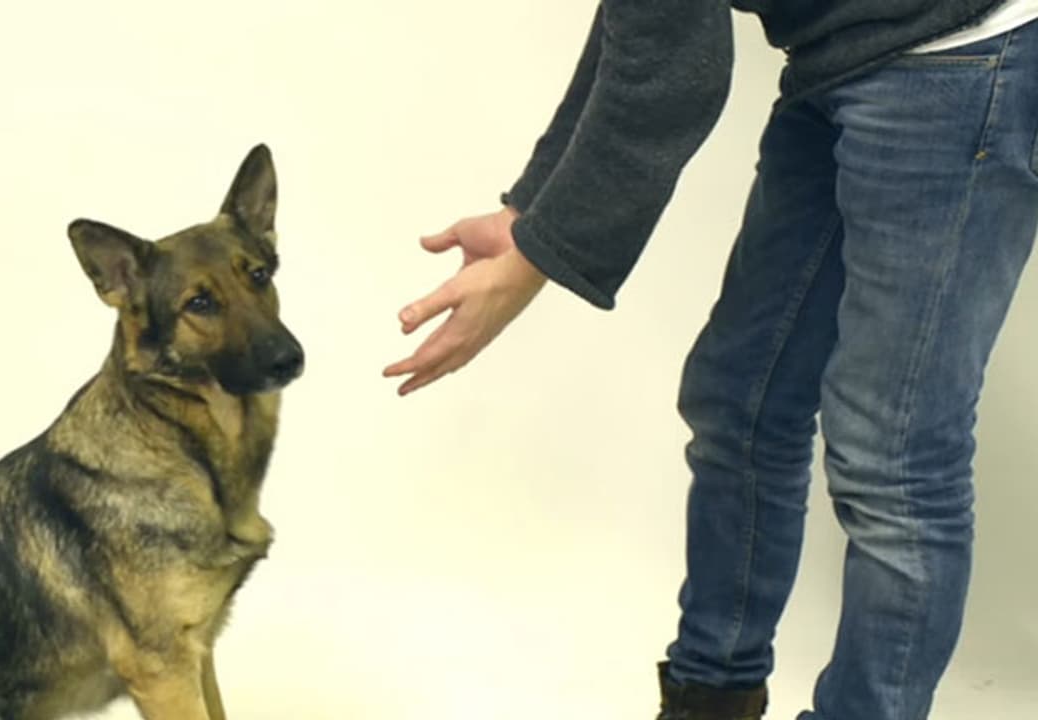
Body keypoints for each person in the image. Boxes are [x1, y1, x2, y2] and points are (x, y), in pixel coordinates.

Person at [383, 2, 1038, 719]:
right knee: (739, 404)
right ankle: (711, 697)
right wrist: (530, 212)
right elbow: (642, 24)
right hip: (846, 51)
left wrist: (537, 260)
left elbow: (674, 76)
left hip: (965, 55)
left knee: (891, 457)